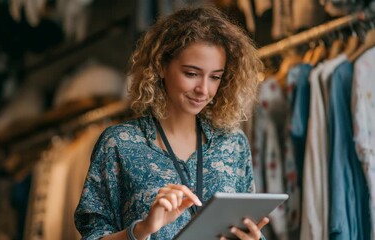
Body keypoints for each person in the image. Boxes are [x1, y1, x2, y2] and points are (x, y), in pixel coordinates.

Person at [75, 6, 269, 240]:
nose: (204, 89)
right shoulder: (119, 144)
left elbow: (244, 223)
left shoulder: (233, 143)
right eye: (191, 73)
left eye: (215, 77)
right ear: (160, 66)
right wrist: (143, 229)